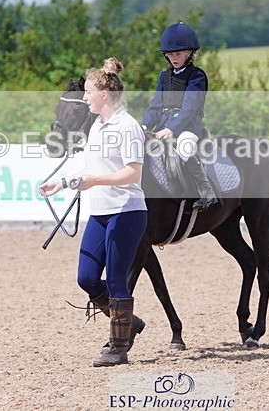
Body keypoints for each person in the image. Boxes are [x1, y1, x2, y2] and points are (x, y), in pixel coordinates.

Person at [39, 57, 148, 367]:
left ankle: (118, 347)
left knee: (115, 279)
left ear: (104, 94)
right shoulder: (97, 126)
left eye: (88, 92)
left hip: (126, 211)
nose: (85, 97)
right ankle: (130, 323)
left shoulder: (127, 126)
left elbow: (132, 174)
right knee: (86, 278)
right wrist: (62, 182)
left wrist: (93, 181)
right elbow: (90, 167)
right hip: (100, 212)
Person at [142, 22, 218, 209]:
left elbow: (190, 108)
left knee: (184, 149)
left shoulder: (197, 76)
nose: (174, 58)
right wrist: (144, 125)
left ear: (189, 53)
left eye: (178, 54)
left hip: (188, 125)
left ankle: (205, 192)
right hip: (162, 125)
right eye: (170, 54)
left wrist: (171, 129)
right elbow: (155, 105)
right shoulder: (164, 76)